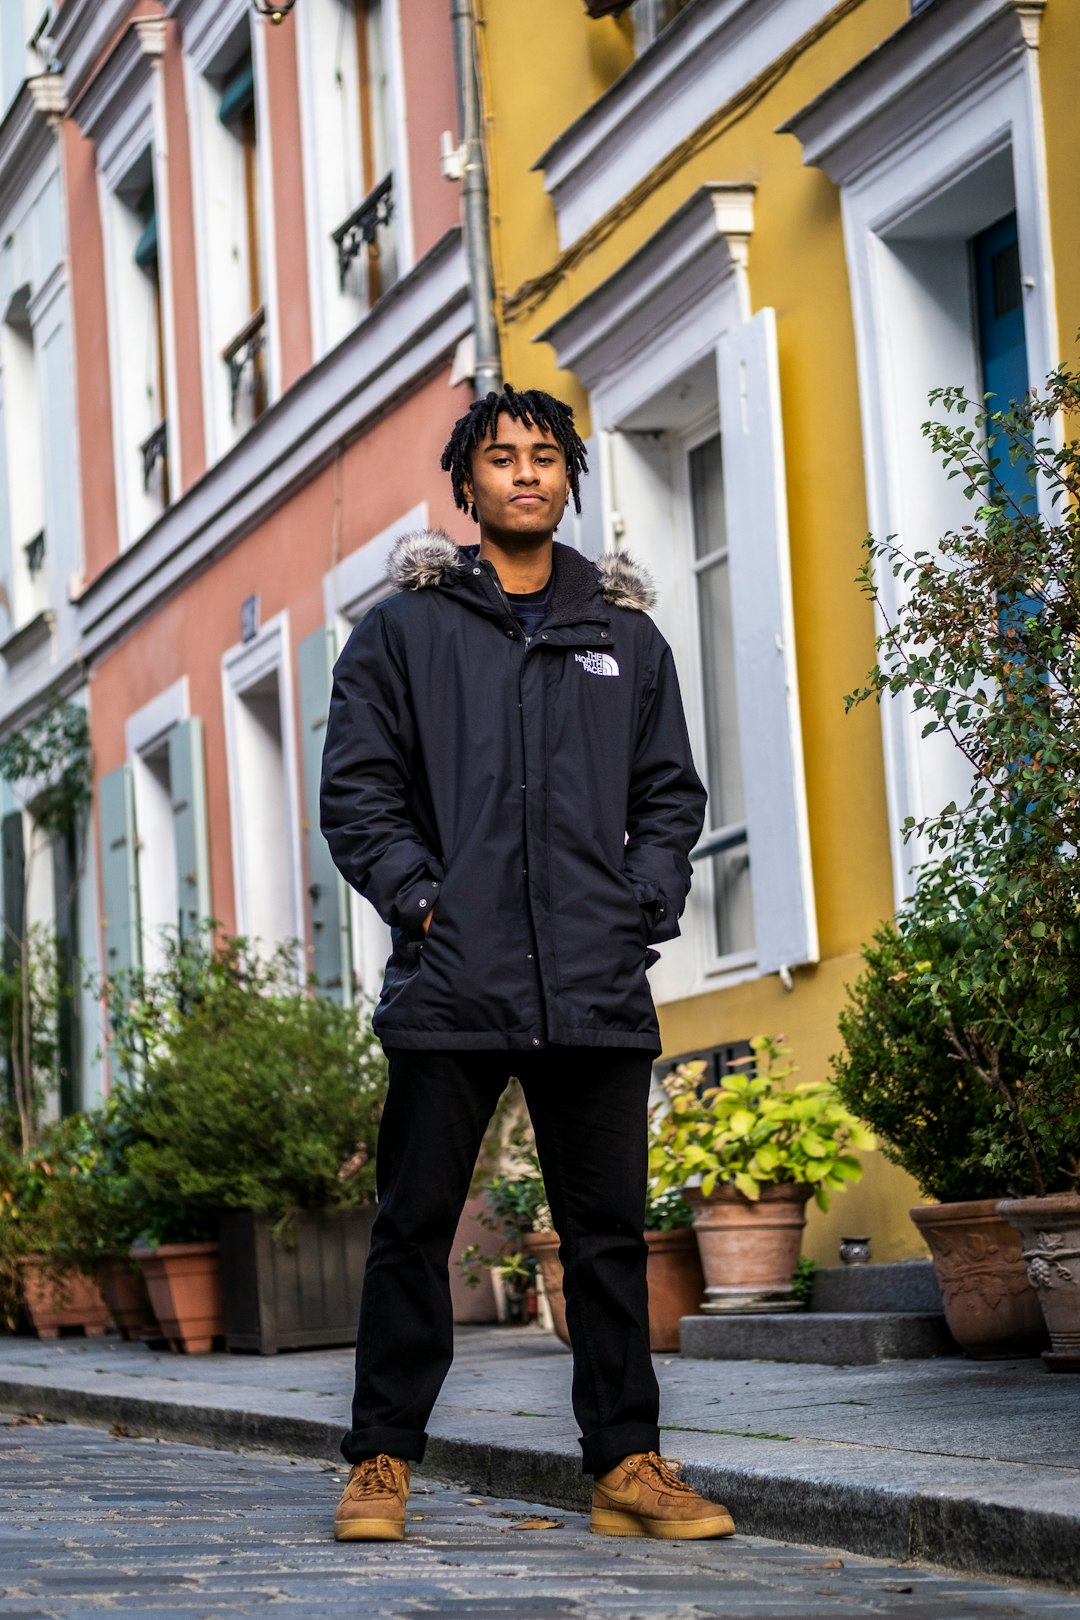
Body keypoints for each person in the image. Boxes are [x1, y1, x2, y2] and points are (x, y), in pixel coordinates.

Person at [320, 383, 735, 1544]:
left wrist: (642, 899)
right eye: (501, 457)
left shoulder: (625, 637)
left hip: (596, 984)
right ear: (467, 483)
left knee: (607, 1236)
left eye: (545, 457)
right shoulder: (404, 632)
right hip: (455, 983)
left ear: (568, 479)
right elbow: (358, 792)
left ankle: (628, 1465)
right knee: (415, 1224)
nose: (524, 473)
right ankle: (382, 1461)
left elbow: (668, 796)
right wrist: (419, 900)